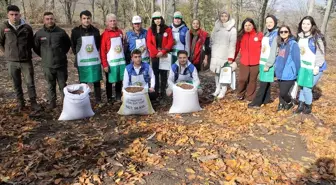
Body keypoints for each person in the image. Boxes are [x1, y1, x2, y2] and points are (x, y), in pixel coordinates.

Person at [0, 5, 40, 113]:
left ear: (20, 15)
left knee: (30, 83)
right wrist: (7, 53)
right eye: (11, 15)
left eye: (16, 14)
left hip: (26, 60)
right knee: (16, 83)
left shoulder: (27, 27)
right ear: (8, 15)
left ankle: (33, 103)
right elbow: (1, 42)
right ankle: (20, 103)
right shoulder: (3, 27)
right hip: (12, 62)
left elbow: (32, 43)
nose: (14, 17)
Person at [33, 12, 71, 109]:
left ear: (54, 19)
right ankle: (52, 103)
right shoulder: (39, 34)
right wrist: (45, 56)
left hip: (61, 64)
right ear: (44, 20)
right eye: (47, 19)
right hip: (47, 65)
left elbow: (67, 45)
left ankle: (65, 103)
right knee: (50, 85)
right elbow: (36, 47)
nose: (50, 21)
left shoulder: (61, 32)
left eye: (51, 19)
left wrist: (61, 54)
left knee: (63, 85)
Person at [295, 16, 327, 114]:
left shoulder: (316, 37)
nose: (305, 26)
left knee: (307, 87)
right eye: (303, 23)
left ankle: (308, 106)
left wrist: (317, 66)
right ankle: (300, 105)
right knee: (302, 86)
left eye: (308, 24)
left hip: (315, 67)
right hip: (304, 67)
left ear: (312, 25)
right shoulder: (299, 36)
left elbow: (321, 53)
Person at [71, 10, 102, 104]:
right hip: (82, 61)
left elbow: (98, 45)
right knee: (83, 80)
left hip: (94, 60)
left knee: (96, 80)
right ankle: (84, 99)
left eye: (88, 18)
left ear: (90, 19)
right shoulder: (75, 31)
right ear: (81, 20)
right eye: (84, 18)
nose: (86, 20)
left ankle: (98, 99)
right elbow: (73, 45)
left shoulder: (96, 31)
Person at [248, 15, 279, 108]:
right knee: (266, 81)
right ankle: (266, 99)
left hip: (268, 62)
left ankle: (257, 102)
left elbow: (274, 51)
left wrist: (269, 64)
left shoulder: (276, 34)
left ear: (275, 23)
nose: (269, 24)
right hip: (262, 61)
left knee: (263, 83)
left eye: (271, 22)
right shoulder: (267, 33)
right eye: (267, 22)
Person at [210, 10, 237, 99]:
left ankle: (223, 89)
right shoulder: (216, 27)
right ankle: (217, 88)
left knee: (224, 73)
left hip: (225, 54)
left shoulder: (232, 29)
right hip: (215, 53)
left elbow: (232, 44)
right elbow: (212, 39)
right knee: (216, 73)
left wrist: (230, 57)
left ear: (228, 17)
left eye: (225, 16)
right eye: (222, 16)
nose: (223, 18)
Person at [146, 11, 174, 98]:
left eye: (158, 18)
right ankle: (156, 91)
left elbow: (170, 42)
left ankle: (163, 92)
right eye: (155, 19)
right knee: (155, 73)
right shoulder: (150, 30)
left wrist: (163, 51)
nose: (157, 20)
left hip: (164, 56)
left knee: (164, 74)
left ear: (161, 19)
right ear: (153, 20)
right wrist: (156, 52)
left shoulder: (167, 29)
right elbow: (149, 43)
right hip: (155, 56)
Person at [234, 18, 263, 101]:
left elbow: (264, 48)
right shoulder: (241, 36)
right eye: (245, 25)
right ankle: (240, 94)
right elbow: (236, 48)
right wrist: (232, 59)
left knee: (252, 80)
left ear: (253, 25)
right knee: (242, 79)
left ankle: (250, 96)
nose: (247, 27)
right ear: (243, 26)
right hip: (244, 61)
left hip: (256, 62)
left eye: (249, 25)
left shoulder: (259, 35)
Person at [273, 25, 301, 111]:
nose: (283, 33)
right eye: (281, 32)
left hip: (289, 73)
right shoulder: (281, 44)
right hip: (280, 72)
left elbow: (297, 60)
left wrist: (297, 73)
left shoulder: (293, 44)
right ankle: (281, 104)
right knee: (281, 91)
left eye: (285, 31)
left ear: (289, 32)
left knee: (283, 92)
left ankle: (290, 102)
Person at [100, 13, 126, 102]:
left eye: (114, 20)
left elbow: (122, 46)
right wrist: (104, 64)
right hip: (110, 62)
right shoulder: (104, 35)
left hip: (120, 61)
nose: (113, 22)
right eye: (110, 21)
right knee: (109, 81)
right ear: (107, 22)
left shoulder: (120, 32)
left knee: (119, 79)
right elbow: (102, 51)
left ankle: (118, 96)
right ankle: (109, 97)